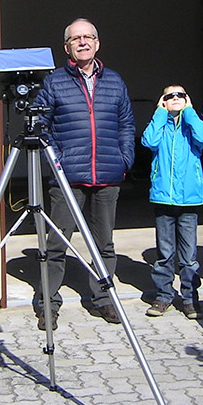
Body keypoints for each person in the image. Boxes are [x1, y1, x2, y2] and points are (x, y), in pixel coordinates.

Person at [33, 18, 135, 329]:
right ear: (67, 47)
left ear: (97, 43)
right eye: (76, 38)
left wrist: (124, 160)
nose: (82, 42)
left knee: (104, 244)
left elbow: (127, 125)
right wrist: (57, 161)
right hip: (67, 178)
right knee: (56, 244)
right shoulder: (54, 82)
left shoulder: (115, 81)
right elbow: (40, 125)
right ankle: (48, 303)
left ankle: (103, 299)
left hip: (107, 174)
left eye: (88, 36)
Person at [141, 84, 203, 320]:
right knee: (164, 253)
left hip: (188, 200)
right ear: (162, 101)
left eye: (180, 95)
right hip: (163, 198)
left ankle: (190, 298)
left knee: (189, 255)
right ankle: (163, 295)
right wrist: (160, 113)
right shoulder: (160, 125)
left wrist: (190, 111)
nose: (175, 98)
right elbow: (148, 141)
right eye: (169, 95)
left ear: (187, 99)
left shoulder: (192, 126)